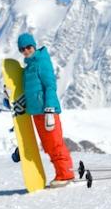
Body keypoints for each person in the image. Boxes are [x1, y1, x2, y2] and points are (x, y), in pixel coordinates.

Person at [17, 32, 74, 186]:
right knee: (48, 145)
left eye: (28, 47)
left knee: (55, 143)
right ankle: (64, 172)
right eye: (22, 49)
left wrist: (49, 109)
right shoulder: (28, 68)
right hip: (36, 112)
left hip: (47, 111)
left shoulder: (42, 62)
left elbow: (50, 85)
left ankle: (66, 174)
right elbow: (29, 90)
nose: (26, 51)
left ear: (33, 46)